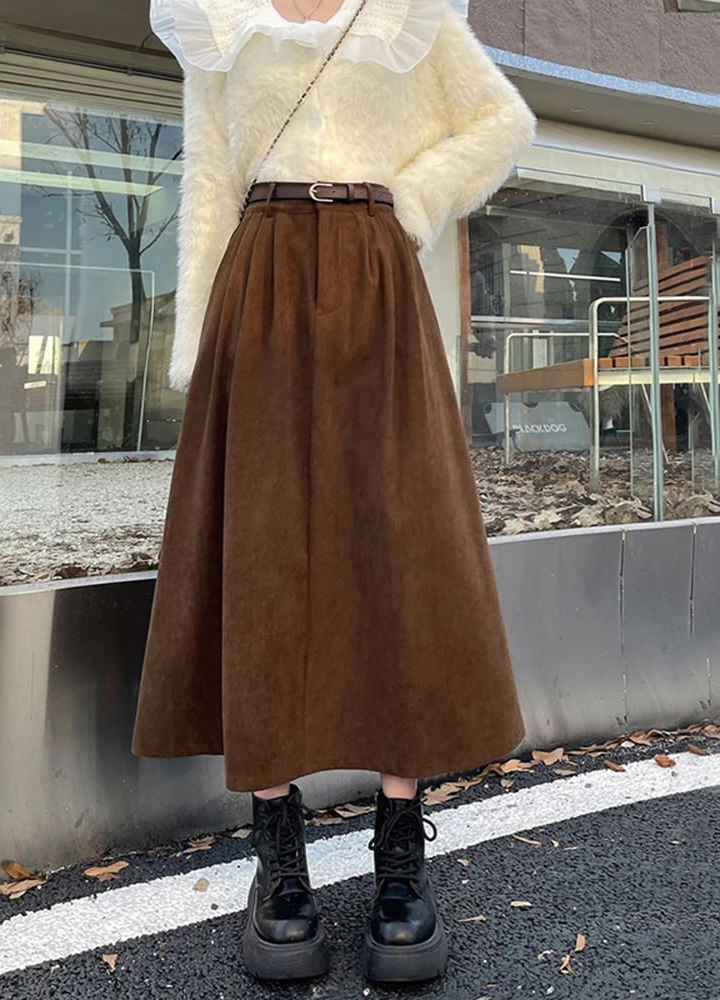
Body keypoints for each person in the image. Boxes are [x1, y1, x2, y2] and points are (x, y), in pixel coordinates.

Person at [132, 0, 536, 984]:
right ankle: (279, 856)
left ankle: (400, 852)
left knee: (399, 546)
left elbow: (500, 121)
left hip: (375, 278)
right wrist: (197, 348)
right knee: (264, 553)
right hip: (261, 279)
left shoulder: (406, 12)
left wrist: (410, 199)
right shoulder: (222, 18)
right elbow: (210, 181)